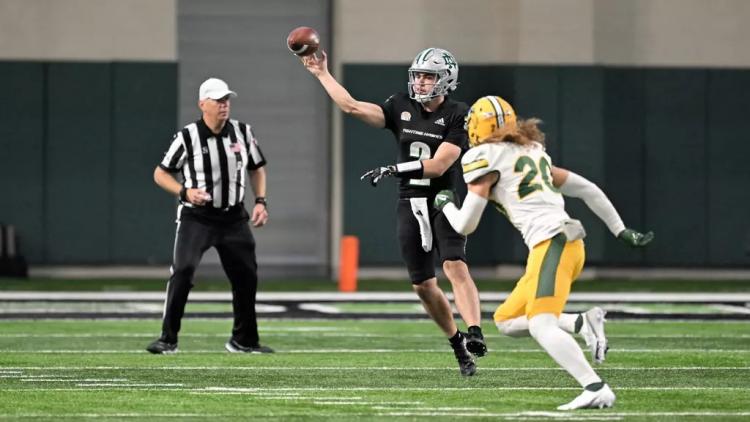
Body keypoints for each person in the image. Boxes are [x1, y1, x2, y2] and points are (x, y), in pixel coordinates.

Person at [434, 95, 653, 409]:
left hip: (553, 243)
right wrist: (620, 229)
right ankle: (581, 323)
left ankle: (595, 387)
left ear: (480, 128)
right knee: (507, 319)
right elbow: (588, 188)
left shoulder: (484, 156)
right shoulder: (531, 151)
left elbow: (466, 225)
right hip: (564, 243)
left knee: (540, 324)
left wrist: (447, 206)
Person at [301, 48, 484, 376]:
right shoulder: (400, 104)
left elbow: (440, 163)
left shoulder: (459, 113)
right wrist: (321, 73)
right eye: (418, 74)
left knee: (454, 264)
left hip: (442, 198)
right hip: (410, 202)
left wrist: (396, 168)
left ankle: (475, 332)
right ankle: (457, 344)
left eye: (428, 76)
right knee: (423, 286)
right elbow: (352, 106)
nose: (421, 81)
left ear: (446, 79)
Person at [146, 77, 273, 355]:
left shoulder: (242, 132)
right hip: (197, 217)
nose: (224, 105)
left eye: (226, 99)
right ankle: (168, 339)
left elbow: (257, 167)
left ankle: (244, 340)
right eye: (218, 100)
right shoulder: (188, 136)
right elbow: (160, 173)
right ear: (203, 104)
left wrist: (260, 201)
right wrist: (184, 192)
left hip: (233, 218)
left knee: (246, 277)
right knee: (183, 271)